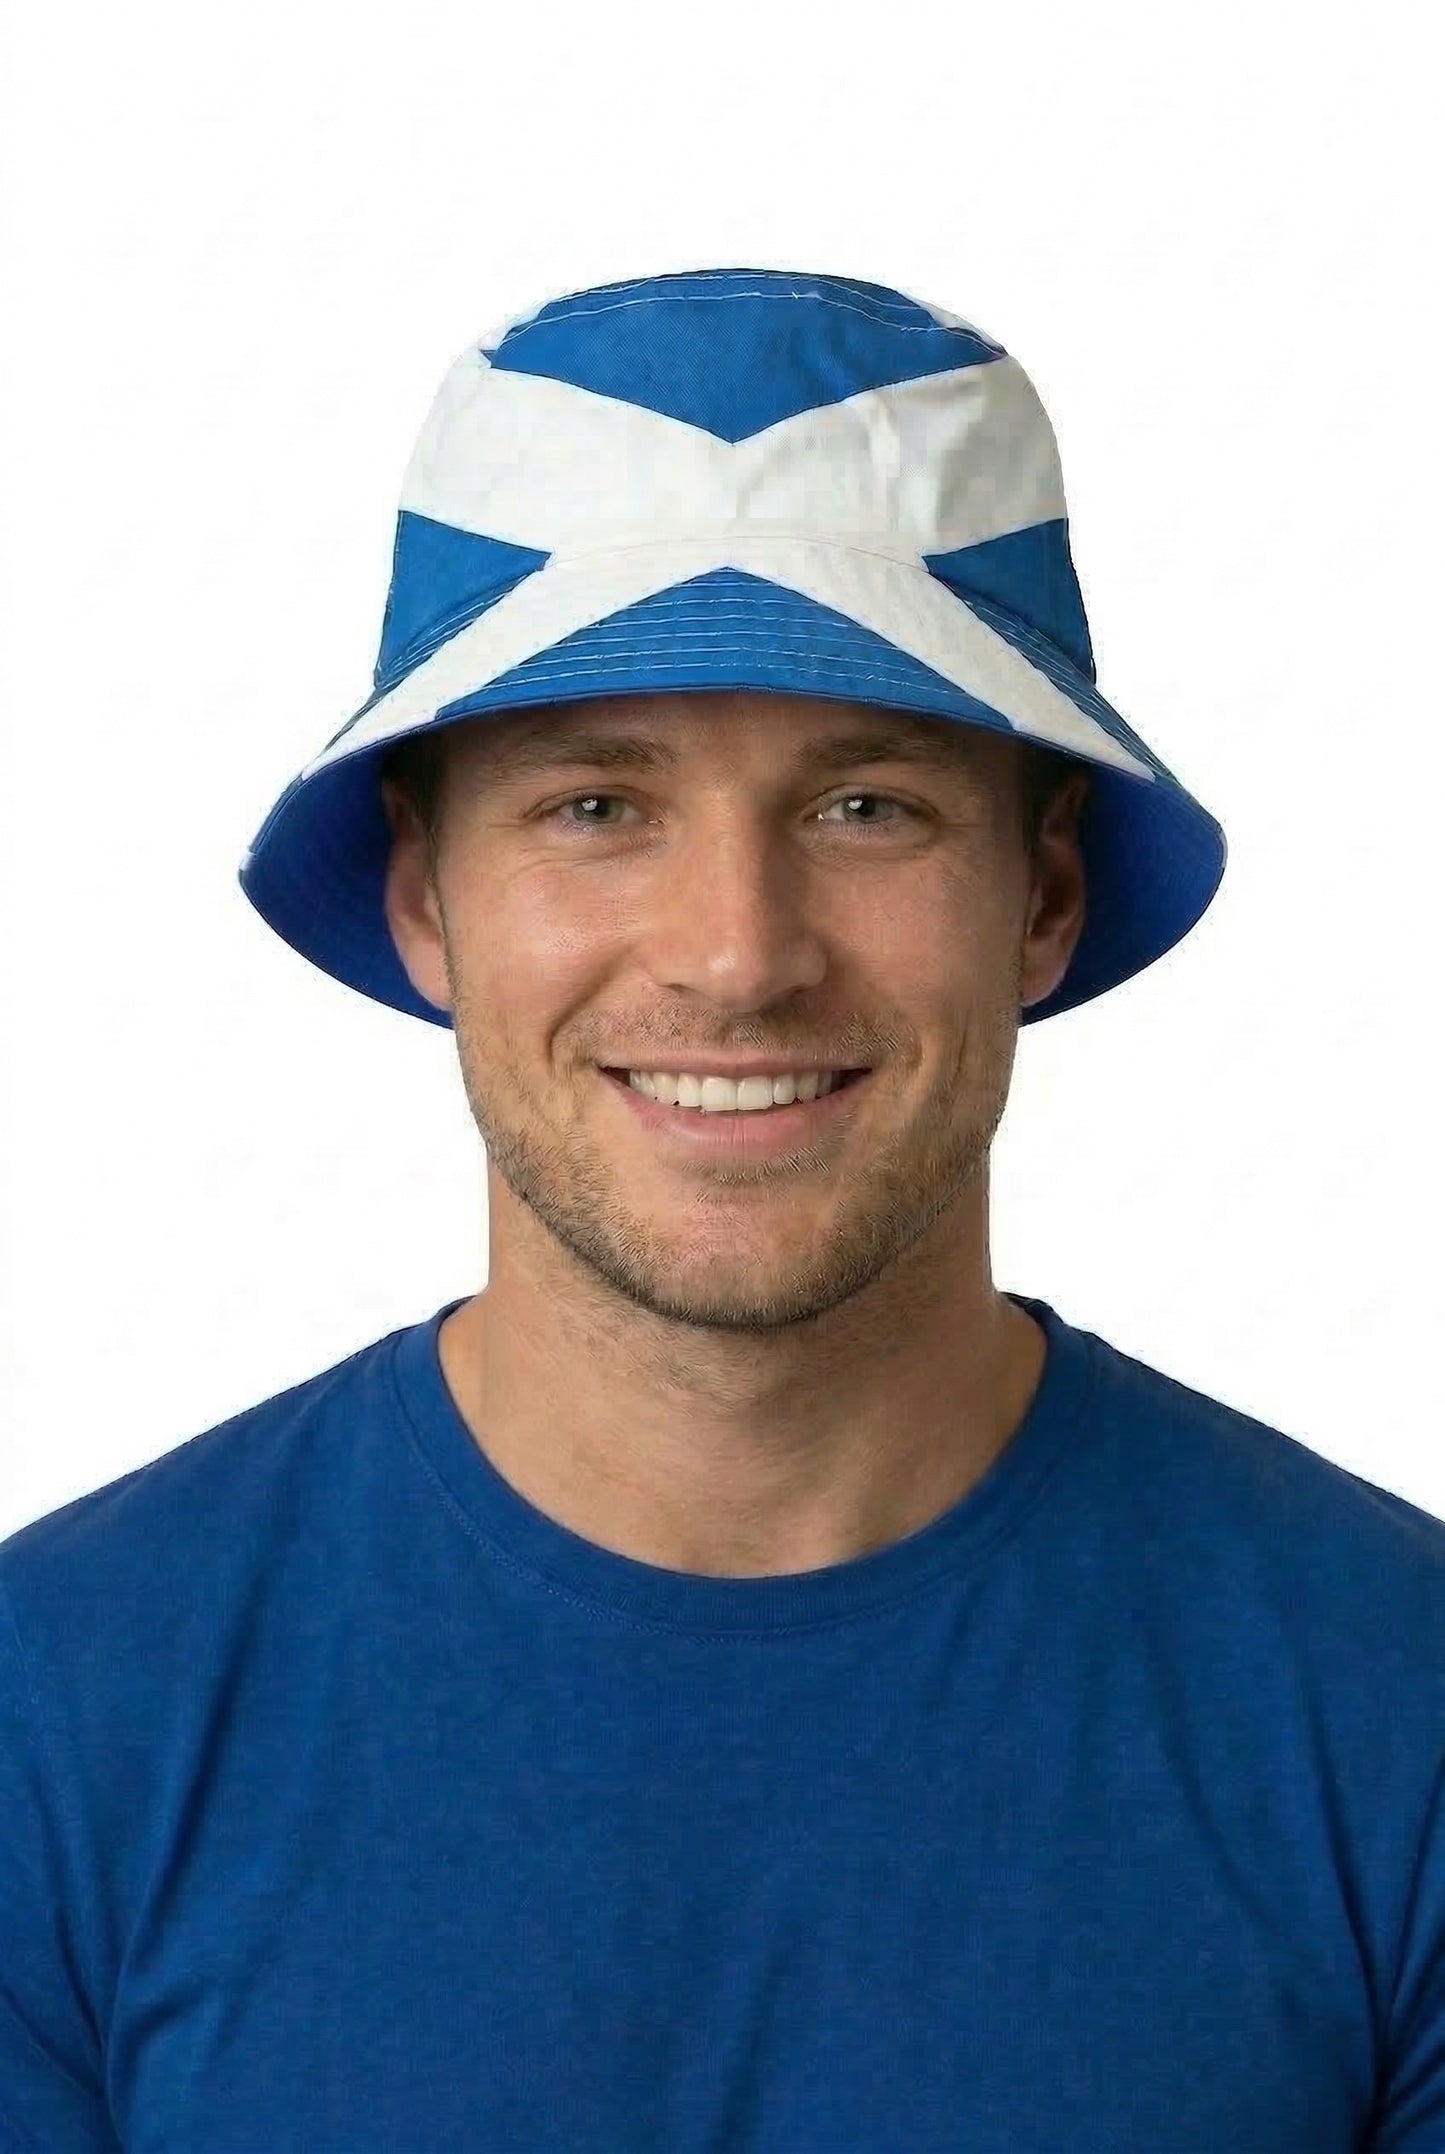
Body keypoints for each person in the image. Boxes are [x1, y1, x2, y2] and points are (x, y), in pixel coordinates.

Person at [1, 269, 1440, 2150]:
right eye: (597, 806)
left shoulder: (1398, 1716)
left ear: (1042, 897)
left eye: (867, 807)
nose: (736, 954)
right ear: (426, 901)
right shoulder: (52, 1721)